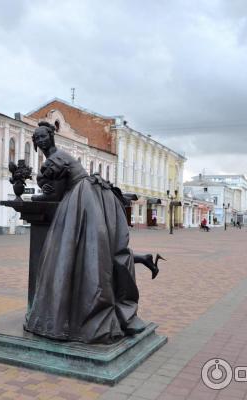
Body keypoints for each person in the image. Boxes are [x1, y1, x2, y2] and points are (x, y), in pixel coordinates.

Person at [25, 122, 161, 344]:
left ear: (51, 137)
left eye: (43, 136)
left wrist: (39, 193)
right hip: (91, 197)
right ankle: (143, 259)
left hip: (82, 201)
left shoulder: (55, 159)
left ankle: (81, 316)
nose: (40, 141)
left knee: (83, 255)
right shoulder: (57, 158)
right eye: (37, 137)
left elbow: (55, 194)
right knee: (100, 252)